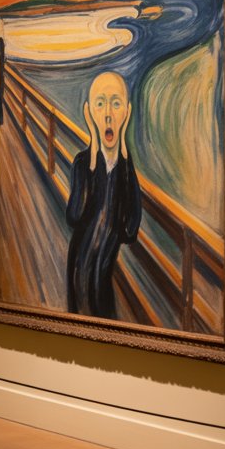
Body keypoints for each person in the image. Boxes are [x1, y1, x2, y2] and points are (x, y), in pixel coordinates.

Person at [65, 71, 142, 319]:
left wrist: (125, 155)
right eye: (100, 103)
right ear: (89, 113)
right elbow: (74, 216)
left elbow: (130, 231)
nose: (108, 113)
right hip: (79, 271)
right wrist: (93, 153)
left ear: (126, 113)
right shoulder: (82, 163)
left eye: (116, 103)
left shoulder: (124, 170)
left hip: (104, 278)